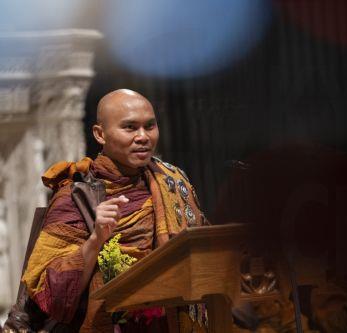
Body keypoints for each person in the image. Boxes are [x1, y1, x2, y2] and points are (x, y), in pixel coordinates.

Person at [15, 89, 207, 332]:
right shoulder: (75, 197)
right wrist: (95, 240)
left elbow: (202, 254)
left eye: (150, 126)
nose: (143, 137)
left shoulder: (173, 183)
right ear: (100, 134)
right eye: (130, 127)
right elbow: (51, 296)